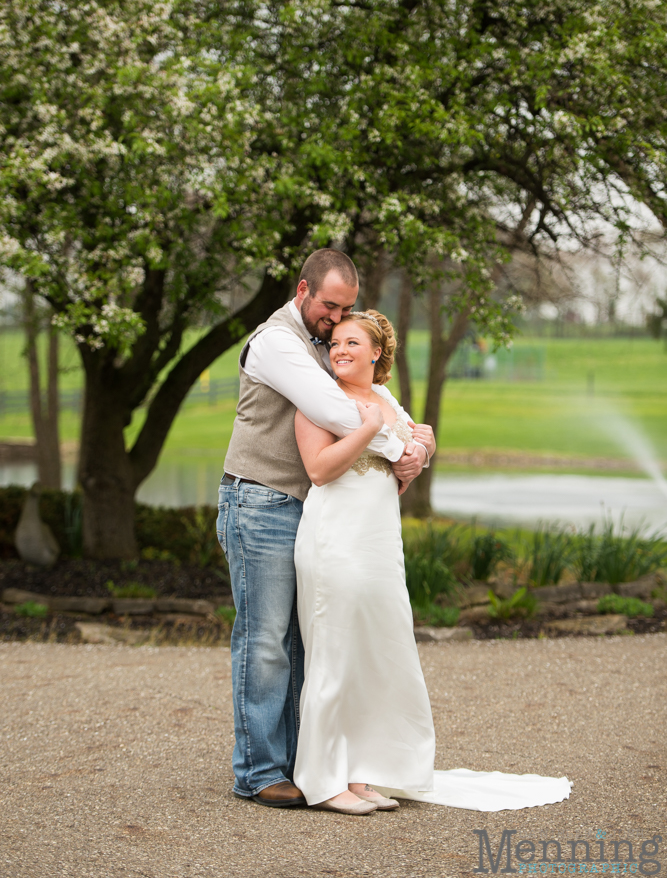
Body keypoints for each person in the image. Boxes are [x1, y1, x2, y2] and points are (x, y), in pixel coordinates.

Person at [292, 310, 573, 816]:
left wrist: (422, 448)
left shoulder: (384, 399)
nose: (340, 349)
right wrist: (370, 430)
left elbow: (418, 437)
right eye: (335, 342)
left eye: (352, 342)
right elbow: (318, 469)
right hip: (336, 538)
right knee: (335, 651)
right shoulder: (320, 401)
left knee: (376, 653)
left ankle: (360, 772)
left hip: (379, 543)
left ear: (376, 353)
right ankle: (324, 778)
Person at [218, 250, 434, 808]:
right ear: (302, 290)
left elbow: (374, 403)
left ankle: (311, 765)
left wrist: (420, 444)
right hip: (259, 498)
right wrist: (405, 445)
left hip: (310, 508)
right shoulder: (276, 342)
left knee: (305, 640)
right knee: (265, 640)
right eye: (329, 307)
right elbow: (335, 410)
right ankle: (258, 772)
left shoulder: (325, 343)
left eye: (346, 310)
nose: (337, 321)